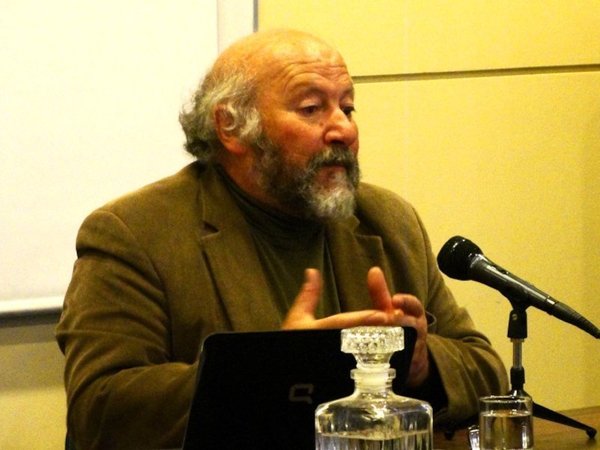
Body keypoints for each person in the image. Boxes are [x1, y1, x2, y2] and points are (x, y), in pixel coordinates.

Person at [56, 29, 508, 449]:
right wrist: (275, 368)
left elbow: (488, 373)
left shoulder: (389, 220)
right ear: (231, 127)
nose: (344, 129)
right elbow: (100, 410)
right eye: (311, 109)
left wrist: (422, 364)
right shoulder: (134, 232)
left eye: (347, 107)